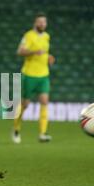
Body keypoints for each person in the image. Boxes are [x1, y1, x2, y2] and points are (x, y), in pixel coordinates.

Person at [12, 13, 55, 143]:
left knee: (44, 101)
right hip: (29, 75)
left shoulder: (47, 37)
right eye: (40, 22)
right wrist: (33, 52)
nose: (42, 24)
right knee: (25, 105)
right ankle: (16, 129)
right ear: (35, 23)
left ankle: (43, 133)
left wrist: (48, 57)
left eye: (44, 22)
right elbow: (19, 51)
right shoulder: (29, 36)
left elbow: (44, 52)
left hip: (43, 75)